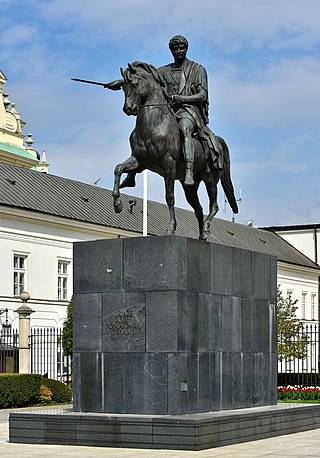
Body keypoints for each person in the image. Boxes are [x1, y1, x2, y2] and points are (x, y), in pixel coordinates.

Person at [105, 35, 222, 186]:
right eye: (175, 48)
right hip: (168, 111)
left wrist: (182, 99)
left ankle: (188, 171)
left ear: (186, 49)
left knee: (184, 128)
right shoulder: (163, 71)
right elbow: (142, 81)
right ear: (171, 51)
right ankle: (133, 172)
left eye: (182, 48)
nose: (179, 51)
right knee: (141, 133)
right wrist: (121, 82)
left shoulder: (197, 69)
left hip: (188, 110)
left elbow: (202, 95)